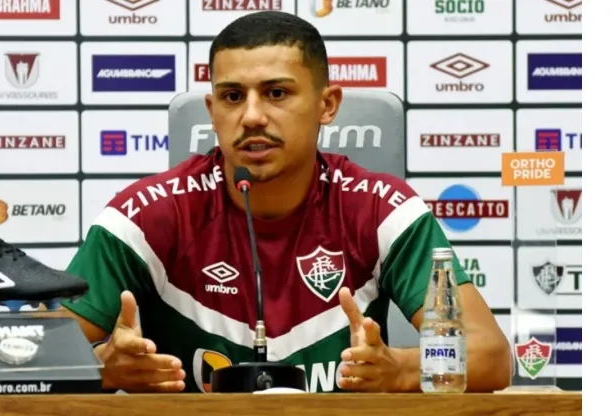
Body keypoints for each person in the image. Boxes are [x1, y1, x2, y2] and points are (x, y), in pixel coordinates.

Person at [57, 11, 512, 394]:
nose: (252, 116)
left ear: (327, 104)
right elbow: (28, 358)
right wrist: (103, 368)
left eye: (277, 93)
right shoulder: (151, 213)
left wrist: (400, 369)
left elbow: (489, 355)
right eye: (233, 97)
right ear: (213, 112)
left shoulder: (381, 210)